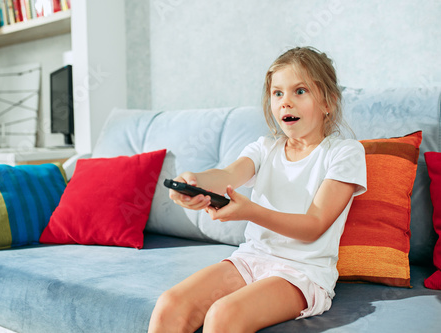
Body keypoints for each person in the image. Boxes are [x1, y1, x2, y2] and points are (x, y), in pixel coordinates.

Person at [148, 46, 367, 333]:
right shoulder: (265, 148)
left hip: (302, 274)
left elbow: (314, 226)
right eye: (278, 93)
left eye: (299, 91)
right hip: (251, 259)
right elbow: (228, 174)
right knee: (170, 305)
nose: (285, 102)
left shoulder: (344, 153)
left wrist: (251, 211)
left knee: (223, 315)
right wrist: (193, 182)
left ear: (329, 102)